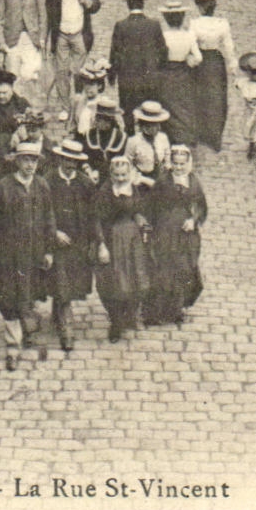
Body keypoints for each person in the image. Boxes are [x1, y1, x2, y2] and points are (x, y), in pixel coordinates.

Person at [0, 140, 56, 369]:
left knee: (31, 293)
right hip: (10, 253)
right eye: (25, 160)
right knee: (8, 296)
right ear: (17, 161)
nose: (29, 165)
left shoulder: (41, 185)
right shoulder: (4, 187)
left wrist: (49, 250)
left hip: (34, 251)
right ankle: (13, 345)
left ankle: (29, 330)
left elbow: (49, 219)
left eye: (33, 160)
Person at [144, 145, 208, 326]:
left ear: (188, 163)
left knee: (184, 268)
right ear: (171, 163)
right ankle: (157, 311)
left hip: (185, 233)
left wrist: (193, 220)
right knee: (163, 268)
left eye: (182, 164)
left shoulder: (194, 182)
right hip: (165, 230)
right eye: (176, 163)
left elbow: (201, 206)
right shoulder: (164, 181)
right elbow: (152, 205)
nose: (179, 167)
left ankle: (176, 309)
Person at [45, 138, 98, 353]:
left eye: (73, 161)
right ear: (59, 159)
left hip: (78, 241)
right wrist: (54, 232)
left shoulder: (85, 183)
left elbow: (94, 214)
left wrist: (95, 242)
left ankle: (58, 312)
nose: (69, 165)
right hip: (56, 241)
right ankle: (67, 329)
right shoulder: (48, 180)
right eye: (66, 160)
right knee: (60, 279)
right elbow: (43, 210)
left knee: (70, 282)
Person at [95, 154, 153, 341]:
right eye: (117, 175)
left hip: (133, 239)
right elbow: (97, 219)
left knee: (137, 277)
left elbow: (137, 210)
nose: (120, 179)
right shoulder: (105, 191)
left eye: (123, 175)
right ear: (111, 174)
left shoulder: (133, 189)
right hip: (113, 238)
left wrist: (142, 222)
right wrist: (101, 244)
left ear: (129, 174)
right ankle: (116, 322)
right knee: (115, 282)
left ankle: (132, 316)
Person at [45, 0, 101, 119]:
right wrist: (47, 39)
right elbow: (48, 15)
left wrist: (89, 3)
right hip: (61, 35)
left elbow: (97, 5)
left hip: (79, 34)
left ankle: (80, 103)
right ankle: (65, 107)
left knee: (78, 72)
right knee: (61, 72)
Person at [109, 0, 168, 132]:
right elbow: (163, 51)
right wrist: (160, 71)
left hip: (128, 80)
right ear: (142, 4)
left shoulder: (121, 25)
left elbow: (115, 53)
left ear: (128, 5)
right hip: (149, 80)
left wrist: (112, 75)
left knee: (128, 114)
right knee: (148, 115)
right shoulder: (154, 25)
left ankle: (130, 138)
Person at [191, 0, 236, 152]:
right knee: (217, 97)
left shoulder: (194, 24)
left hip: (201, 62)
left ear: (200, 7)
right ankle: (215, 135)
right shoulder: (222, 24)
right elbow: (229, 46)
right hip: (216, 61)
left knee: (199, 95)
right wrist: (232, 65)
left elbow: (192, 45)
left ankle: (200, 132)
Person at [157, 2, 202, 145]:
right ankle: (184, 135)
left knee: (167, 102)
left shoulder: (162, 35)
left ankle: (169, 134)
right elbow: (198, 58)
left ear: (166, 18)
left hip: (166, 71)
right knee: (183, 104)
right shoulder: (189, 36)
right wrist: (189, 61)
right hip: (183, 71)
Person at [81, 92, 128, 180]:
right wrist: (89, 172)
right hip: (92, 177)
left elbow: (122, 161)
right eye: (97, 118)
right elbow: (84, 157)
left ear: (110, 121)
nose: (97, 121)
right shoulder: (90, 134)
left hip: (115, 177)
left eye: (102, 119)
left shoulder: (120, 137)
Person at [124, 99, 172, 183]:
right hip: (141, 178)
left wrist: (167, 166)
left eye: (155, 124)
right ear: (141, 125)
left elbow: (167, 154)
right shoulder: (133, 141)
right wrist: (139, 178)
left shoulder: (163, 138)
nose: (152, 129)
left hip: (160, 177)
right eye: (147, 125)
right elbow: (128, 163)